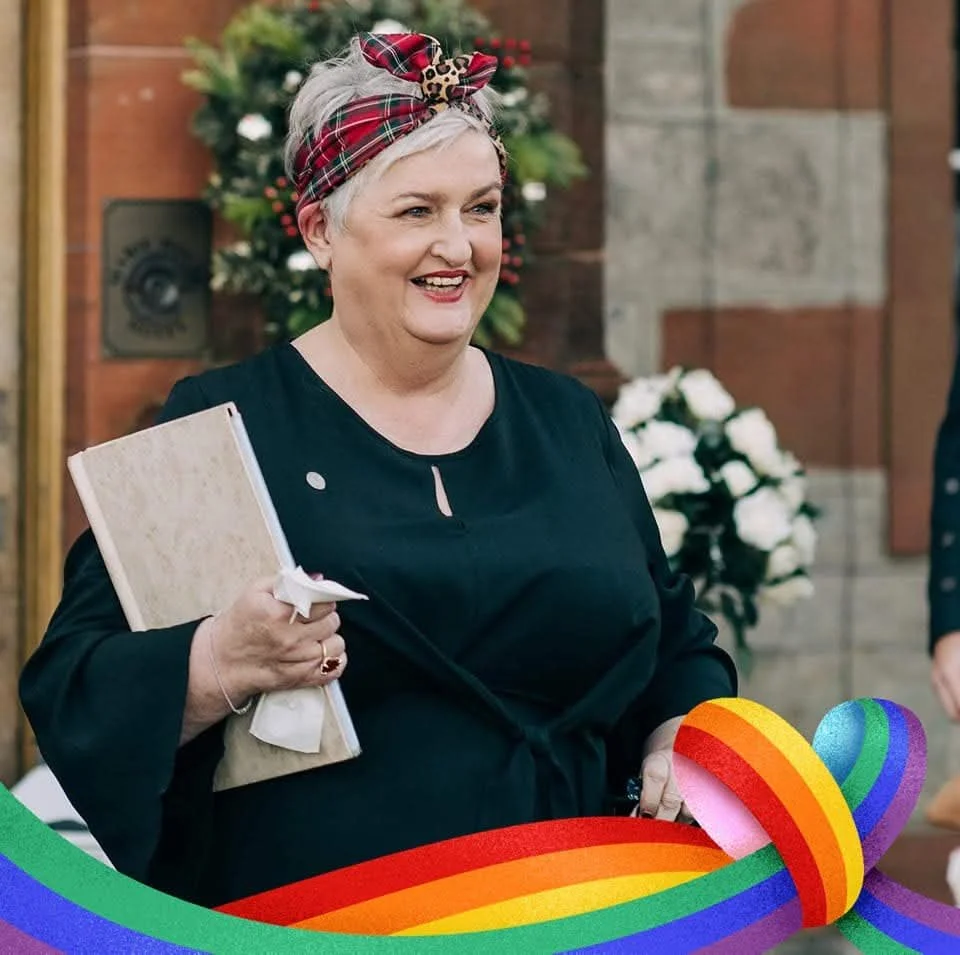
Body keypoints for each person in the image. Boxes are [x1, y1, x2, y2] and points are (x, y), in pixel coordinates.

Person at [19, 33, 737, 908]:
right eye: (416, 212)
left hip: (572, 912)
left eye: (481, 207)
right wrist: (217, 660)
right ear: (321, 230)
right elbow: (75, 685)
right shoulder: (221, 424)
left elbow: (672, 644)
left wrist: (676, 736)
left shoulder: (567, 419)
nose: (459, 245)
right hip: (324, 918)